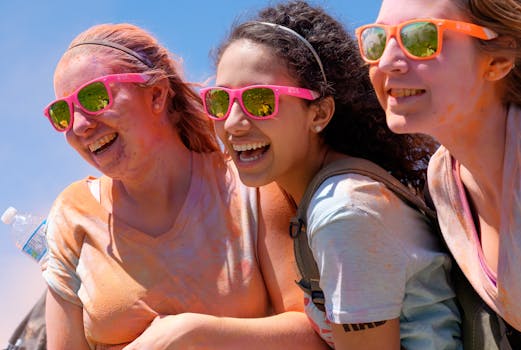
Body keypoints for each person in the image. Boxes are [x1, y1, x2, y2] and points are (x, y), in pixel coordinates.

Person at [41, 23, 327, 350]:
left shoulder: (250, 188)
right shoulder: (73, 213)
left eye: (94, 97)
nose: (79, 125)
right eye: (62, 112)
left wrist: (193, 333)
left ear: (157, 94)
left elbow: (313, 335)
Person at [204, 1, 462, 349]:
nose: (233, 122)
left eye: (261, 101)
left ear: (320, 113)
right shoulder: (330, 191)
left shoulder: (342, 211)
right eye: (220, 101)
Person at [355, 0, 521, 347]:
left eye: (421, 37)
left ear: (498, 59)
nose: (385, 62)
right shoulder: (443, 179)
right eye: (376, 40)